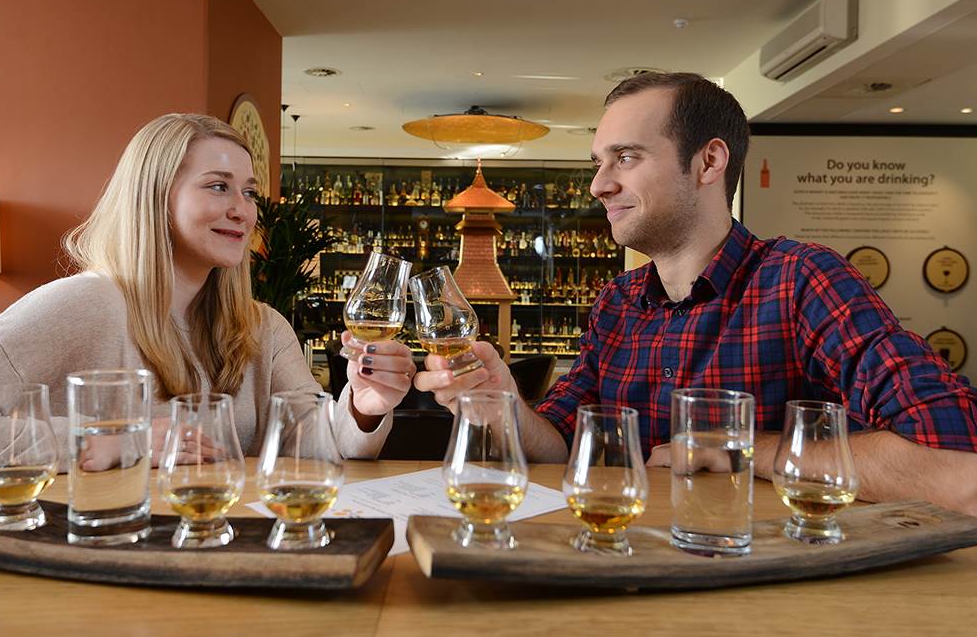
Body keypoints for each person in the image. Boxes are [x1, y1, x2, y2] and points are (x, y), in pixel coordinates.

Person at [415, 72, 977, 515]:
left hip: (770, 606)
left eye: (626, 158)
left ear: (708, 162)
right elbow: (562, 444)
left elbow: (961, 470)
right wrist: (502, 404)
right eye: (598, 162)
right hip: (627, 578)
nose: (598, 184)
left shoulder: (803, 280)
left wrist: (741, 449)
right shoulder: (619, 301)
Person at [0, 114, 415, 478]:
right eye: (218, 185)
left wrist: (363, 409)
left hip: (222, 563)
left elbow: (308, 443)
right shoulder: (83, 305)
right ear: (154, 197)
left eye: (249, 192)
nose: (243, 209)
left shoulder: (262, 325)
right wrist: (114, 442)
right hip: (95, 576)